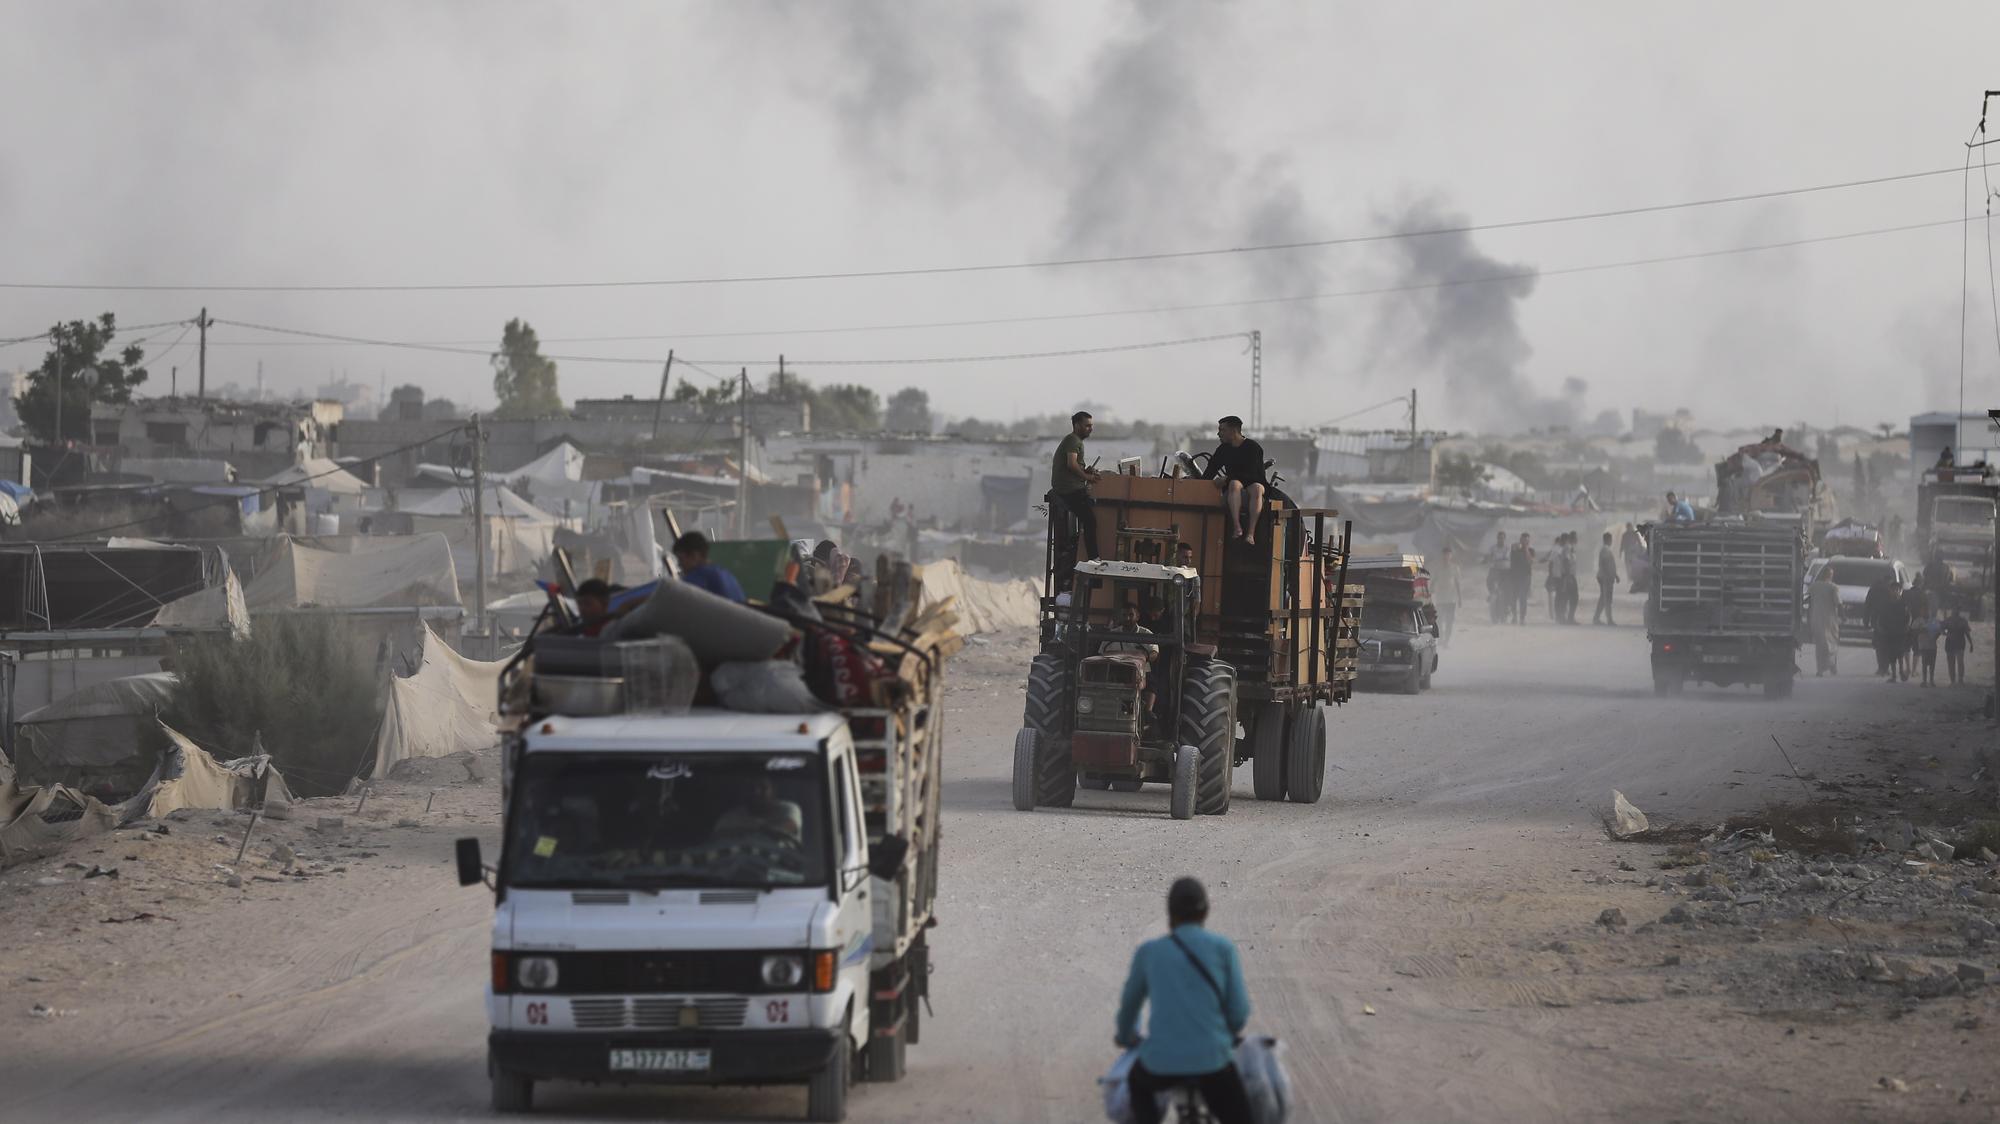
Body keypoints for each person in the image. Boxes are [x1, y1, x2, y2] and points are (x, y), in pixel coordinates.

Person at [1114, 877, 1254, 1124]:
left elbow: (1129, 1007)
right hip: (1213, 1061)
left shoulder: (1150, 952)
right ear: (1206, 912)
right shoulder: (1223, 949)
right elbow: (1238, 1012)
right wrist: (1224, 1035)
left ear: (1169, 913)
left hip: (1160, 1061)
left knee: (1138, 1085)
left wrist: (1125, 1037)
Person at [1199, 416, 1268, 546]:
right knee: (1235, 484)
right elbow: (1210, 471)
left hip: (1255, 482)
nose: (1219, 434)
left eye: (1222, 430)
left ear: (1233, 431)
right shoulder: (1223, 449)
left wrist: (1227, 478)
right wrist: (1197, 483)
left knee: (1257, 488)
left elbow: (1253, 474)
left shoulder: (1253, 447)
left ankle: (1250, 534)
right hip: (1235, 486)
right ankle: (1237, 527)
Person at [1051, 411, 1104, 570]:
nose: (1090, 429)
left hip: (1072, 486)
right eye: (1087, 425)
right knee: (1090, 519)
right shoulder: (1073, 440)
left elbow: (1076, 466)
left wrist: (1086, 471)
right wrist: (1088, 477)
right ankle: (1094, 557)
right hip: (1068, 489)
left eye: (1091, 426)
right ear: (1077, 425)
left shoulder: (1075, 441)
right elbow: (1071, 465)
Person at [672, 531, 747, 604]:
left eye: (681, 559)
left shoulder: (697, 578)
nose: (679, 564)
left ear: (694, 556)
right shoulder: (727, 575)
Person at [1864, 571, 1903, 678]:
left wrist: (1866, 621)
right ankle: (1885, 668)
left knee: (1879, 646)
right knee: (1888, 646)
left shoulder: (1873, 590)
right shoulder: (1891, 591)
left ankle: (1882, 667)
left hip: (1877, 621)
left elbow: (1867, 606)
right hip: (1889, 623)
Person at [1808, 567, 1840, 676]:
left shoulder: (1814, 586)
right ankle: (1831, 665)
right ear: (1830, 575)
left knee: (1819, 645)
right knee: (1831, 644)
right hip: (1829, 620)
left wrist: (1808, 618)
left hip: (1816, 619)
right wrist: (1844, 616)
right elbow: (1838, 603)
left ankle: (1820, 669)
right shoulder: (1833, 587)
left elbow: (1809, 601)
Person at [1434, 545, 1461, 646]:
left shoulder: (1455, 568)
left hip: (1451, 599)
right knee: (1439, 620)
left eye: (1448, 554)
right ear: (1442, 556)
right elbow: (1434, 580)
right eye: (1444, 555)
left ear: (1451, 556)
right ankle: (1441, 639)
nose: (1446, 556)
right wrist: (1431, 589)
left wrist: (1460, 598)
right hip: (1440, 598)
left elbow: (1458, 583)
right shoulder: (1438, 567)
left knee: (1449, 621)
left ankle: (1446, 641)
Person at [1593, 531, 1619, 626]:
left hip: (1606, 577)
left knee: (1604, 599)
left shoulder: (1606, 549)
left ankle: (1597, 618)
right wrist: (1609, 576)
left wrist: (1615, 575)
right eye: (1611, 539)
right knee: (1606, 599)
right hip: (1605, 578)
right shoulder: (1605, 550)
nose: (1612, 541)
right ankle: (1608, 620)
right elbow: (1605, 564)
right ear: (1608, 540)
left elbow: (1609, 565)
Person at [1943, 607, 1974, 685]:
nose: (1954, 611)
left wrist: (1971, 644)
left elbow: (1967, 633)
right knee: (1952, 662)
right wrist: (1946, 634)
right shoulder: (1949, 620)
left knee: (1959, 662)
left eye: (1956, 609)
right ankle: (1953, 680)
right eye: (1954, 609)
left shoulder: (1962, 621)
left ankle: (1960, 679)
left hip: (1959, 643)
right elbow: (1941, 629)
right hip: (1951, 643)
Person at [1508, 532, 1534, 626]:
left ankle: (1522, 618)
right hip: (1514, 577)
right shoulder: (1515, 550)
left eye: (1527, 541)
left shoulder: (1531, 550)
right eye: (1523, 540)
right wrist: (1513, 548)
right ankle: (1514, 617)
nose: (1525, 542)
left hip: (1525, 577)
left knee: (1523, 598)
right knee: (1513, 598)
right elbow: (1511, 560)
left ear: (1529, 541)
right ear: (1520, 540)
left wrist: (1526, 549)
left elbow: (1530, 562)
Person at [1917, 610, 1943, 687]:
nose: (1925, 613)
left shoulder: (1933, 621)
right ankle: (1926, 681)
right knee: (1926, 664)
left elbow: (1939, 631)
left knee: (1930, 664)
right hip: (1925, 646)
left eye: (1926, 612)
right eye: (1924, 612)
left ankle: (1930, 680)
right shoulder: (1920, 621)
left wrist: (1935, 637)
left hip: (1930, 646)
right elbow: (1914, 631)